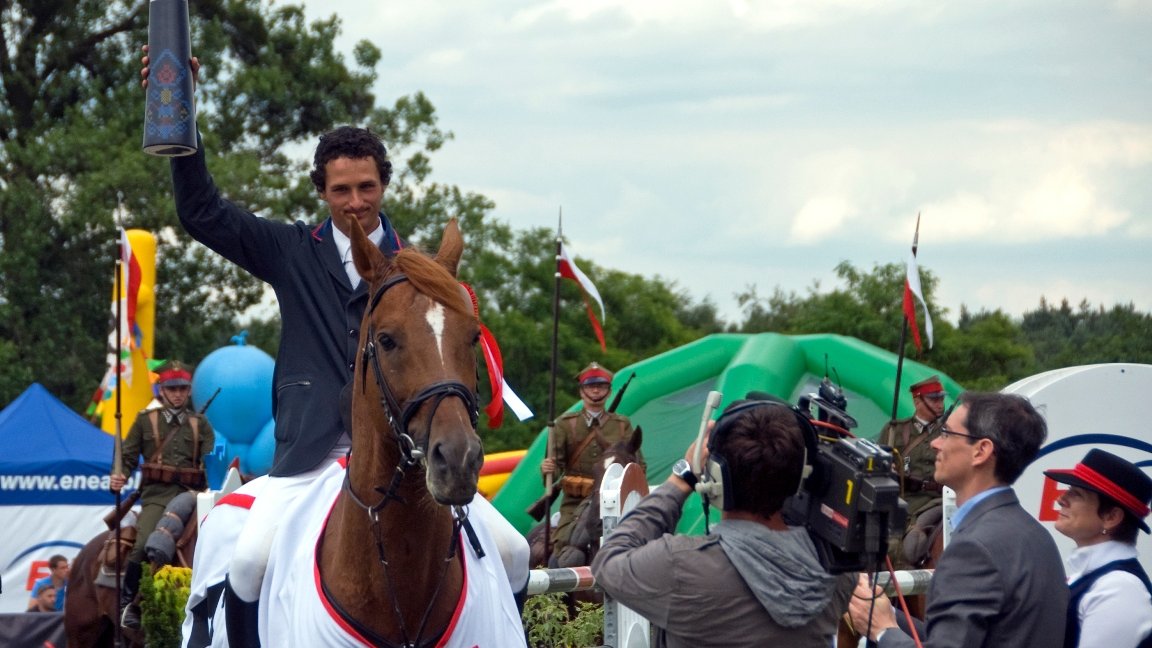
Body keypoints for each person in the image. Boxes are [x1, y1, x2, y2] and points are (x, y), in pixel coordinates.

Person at [141, 49, 529, 647]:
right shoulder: (290, 252)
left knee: (515, 550)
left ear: (384, 185)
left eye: (367, 187)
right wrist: (181, 108)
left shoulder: (416, 271)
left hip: (405, 460)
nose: (356, 203)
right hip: (309, 460)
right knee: (247, 561)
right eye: (341, 189)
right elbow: (200, 212)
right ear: (321, 190)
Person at [592, 398, 855, 647]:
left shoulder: (680, 565)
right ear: (801, 477)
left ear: (716, 475)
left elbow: (608, 562)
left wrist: (680, 479)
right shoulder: (835, 571)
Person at [849, 391, 1068, 647]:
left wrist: (883, 631)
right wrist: (888, 616)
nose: (935, 444)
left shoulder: (973, 549)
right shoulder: (1037, 536)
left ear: (981, 451)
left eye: (946, 434)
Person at [111, 361, 214, 629]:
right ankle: (127, 602)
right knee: (145, 540)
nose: (177, 394)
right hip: (157, 494)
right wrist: (119, 474)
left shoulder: (200, 424)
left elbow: (212, 459)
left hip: (193, 495)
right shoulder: (145, 421)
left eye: (182, 389)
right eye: (172, 389)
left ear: (189, 391)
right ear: (162, 391)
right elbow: (127, 456)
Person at [1045, 449, 1152, 648]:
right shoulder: (1096, 577)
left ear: (1111, 518)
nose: (1060, 499)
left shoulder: (1119, 587)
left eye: (1076, 494)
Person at [540, 362, 644, 560]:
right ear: (581, 392)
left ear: (609, 391)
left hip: (613, 501)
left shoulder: (622, 425)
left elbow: (638, 465)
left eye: (601, 386)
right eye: (590, 386)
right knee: (565, 549)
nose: (595, 390)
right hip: (575, 502)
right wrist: (547, 469)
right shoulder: (564, 424)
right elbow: (554, 471)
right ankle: (555, 590)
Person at [880, 375, 947, 568]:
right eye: (934, 399)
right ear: (918, 401)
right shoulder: (896, 430)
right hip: (902, 498)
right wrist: (887, 467)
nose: (940, 404)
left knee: (913, 546)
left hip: (936, 500)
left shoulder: (948, 431)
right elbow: (879, 461)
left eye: (941, 399)